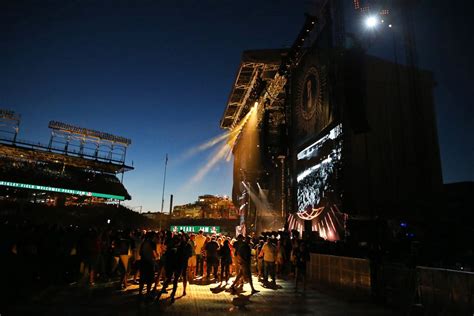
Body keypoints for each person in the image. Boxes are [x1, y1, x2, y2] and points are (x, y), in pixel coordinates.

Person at [138, 232, 157, 298]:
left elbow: (140, 253)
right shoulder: (152, 244)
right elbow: (154, 254)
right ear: (152, 237)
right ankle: (148, 293)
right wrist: (156, 257)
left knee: (142, 278)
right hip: (150, 263)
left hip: (143, 262)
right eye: (155, 236)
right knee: (150, 279)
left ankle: (140, 293)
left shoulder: (143, 243)